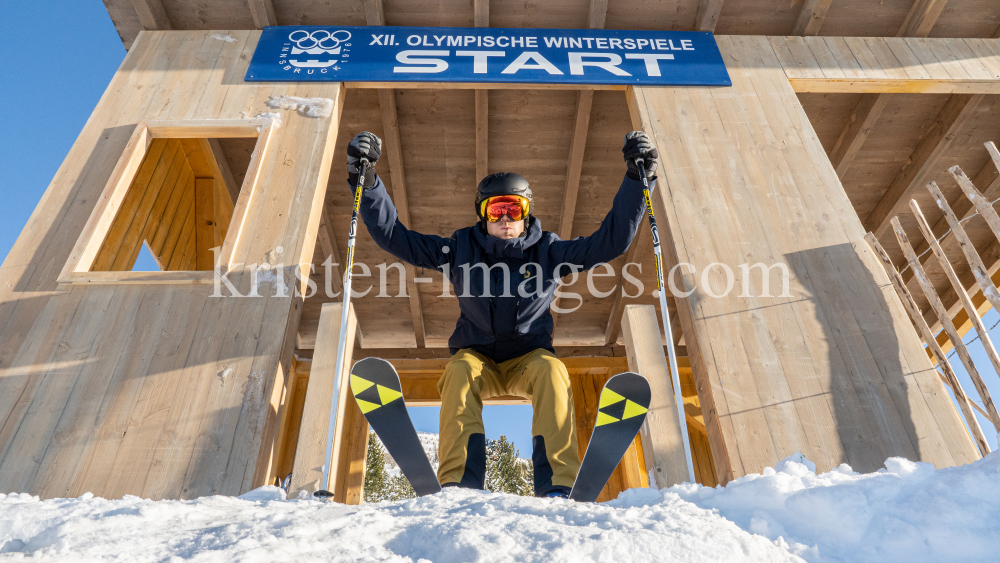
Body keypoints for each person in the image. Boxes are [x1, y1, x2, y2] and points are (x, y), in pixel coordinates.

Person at [347, 130, 659, 498]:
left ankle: (558, 483)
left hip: (529, 359)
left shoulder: (549, 251)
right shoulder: (459, 249)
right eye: (497, 210)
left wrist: (638, 181)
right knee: (458, 371)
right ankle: (460, 482)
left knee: (552, 371)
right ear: (483, 214)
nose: (506, 218)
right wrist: (366, 183)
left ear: (527, 213)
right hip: (477, 358)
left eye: (515, 209)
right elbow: (394, 236)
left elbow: (611, 241)